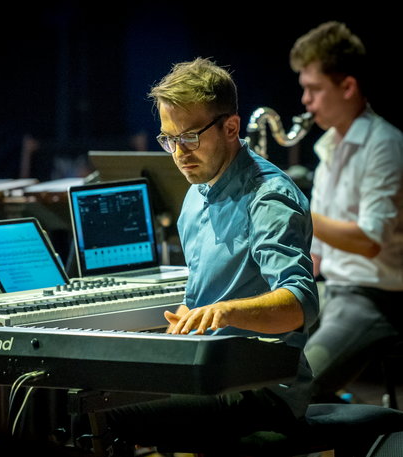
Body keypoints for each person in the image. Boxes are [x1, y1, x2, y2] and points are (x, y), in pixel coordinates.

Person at [97, 57, 319, 454]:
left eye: (190, 137)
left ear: (231, 127)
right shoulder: (195, 194)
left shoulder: (269, 197)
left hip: (263, 392)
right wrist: (187, 315)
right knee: (83, 395)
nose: (179, 153)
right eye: (169, 139)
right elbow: (204, 294)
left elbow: (300, 303)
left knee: (102, 416)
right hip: (208, 371)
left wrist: (227, 311)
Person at [289, 21, 403, 402]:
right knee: (252, 357)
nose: (305, 99)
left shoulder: (383, 144)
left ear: (348, 87)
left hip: (373, 298)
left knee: (295, 385)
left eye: (314, 89)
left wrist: (297, 211)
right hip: (330, 292)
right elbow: (318, 251)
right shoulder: (328, 149)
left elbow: (370, 242)